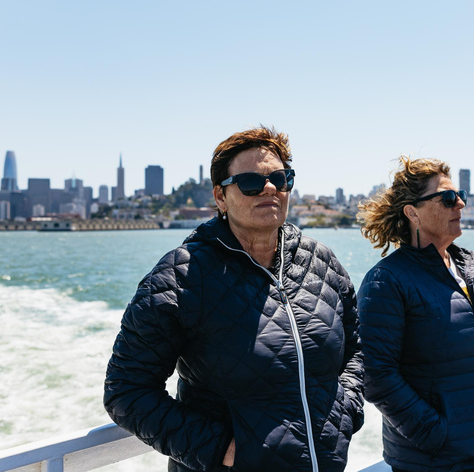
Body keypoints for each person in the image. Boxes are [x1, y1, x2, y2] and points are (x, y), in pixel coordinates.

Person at [104, 127, 364, 472]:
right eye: (250, 182)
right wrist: (222, 450)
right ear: (221, 197)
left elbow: (356, 350)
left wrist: (344, 413)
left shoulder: (322, 263)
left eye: (280, 178)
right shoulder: (180, 276)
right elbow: (126, 391)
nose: (269, 188)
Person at [356, 157, 474, 472]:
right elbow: (376, 375)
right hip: (434, 461)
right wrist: (434, 432)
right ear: (413, 212)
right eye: (447, 198)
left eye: (459, 195)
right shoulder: (387, 281)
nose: (459, 203)